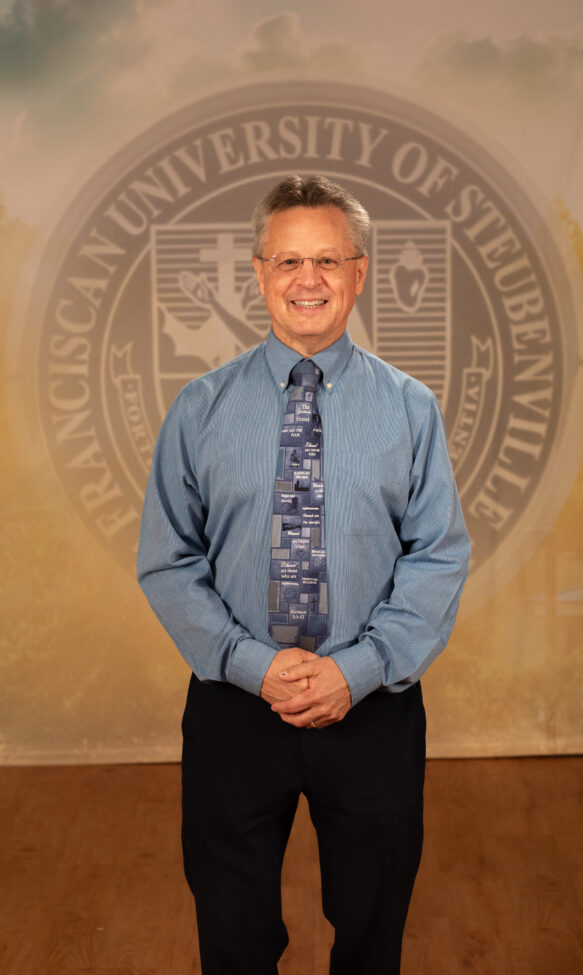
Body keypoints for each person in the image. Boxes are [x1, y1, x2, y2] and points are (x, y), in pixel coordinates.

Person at [137, 174, 471, 975]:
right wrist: (257, 665)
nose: (308, 280)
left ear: (359, 272)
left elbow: (439, 555)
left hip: (371, 707)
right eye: (289, 262)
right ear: (259, 274)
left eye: (327, 260)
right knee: (232, 933)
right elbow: (168, 558)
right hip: (234, 706)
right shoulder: (199, 408)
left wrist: (354, 671)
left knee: (371, 928)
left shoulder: (410, 408)